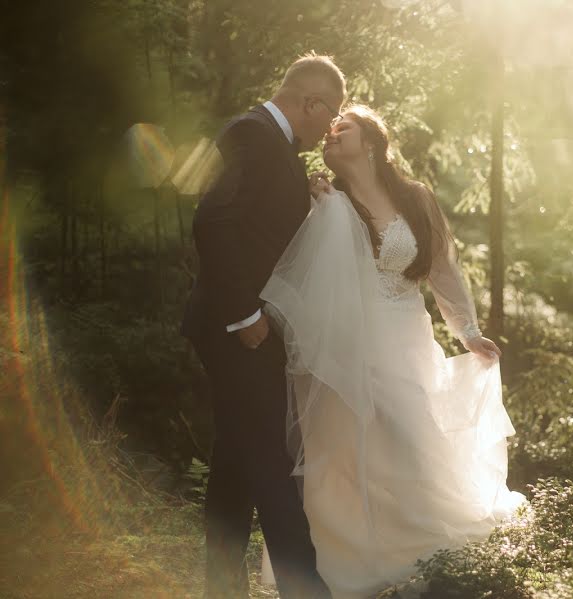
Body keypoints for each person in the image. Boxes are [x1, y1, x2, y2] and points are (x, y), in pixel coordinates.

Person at [260, 104, 525, 599]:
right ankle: (355, 563)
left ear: (373, 143)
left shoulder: (416, 198)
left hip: (406, 337)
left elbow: (443, 270)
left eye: (345, 128)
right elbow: (305, 277)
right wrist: (320, 210)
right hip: (349, 344)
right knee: (346, 453)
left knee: (411, 441)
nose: (331, 134)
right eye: (329, 131)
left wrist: (467, 331)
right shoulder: (323, 199)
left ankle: (429, 553)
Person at [181, 53, 345, 598]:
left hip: (246, 328)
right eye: (330, 116)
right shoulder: (252, 135)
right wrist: (243, 314)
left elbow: (261, 231)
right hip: (235, 329)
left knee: (235, 458)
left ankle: (221, 588)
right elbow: (213, 219)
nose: (329, 129)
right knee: (272, 460)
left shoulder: (275, 146)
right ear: (309, 102)